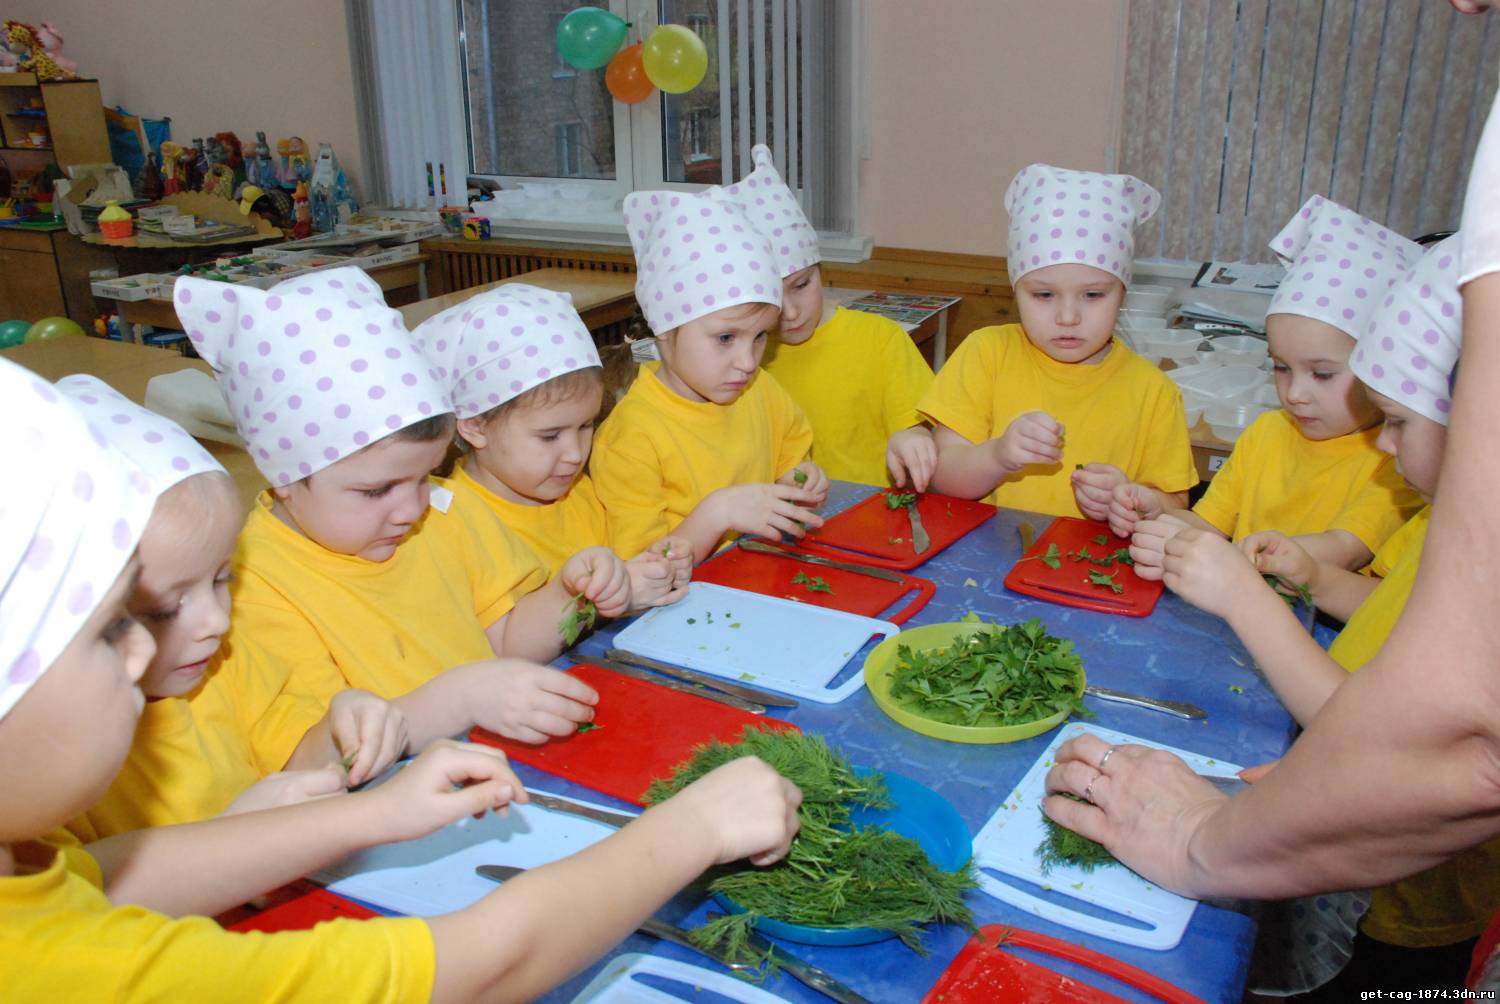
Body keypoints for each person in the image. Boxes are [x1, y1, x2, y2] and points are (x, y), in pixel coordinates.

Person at [0, 356, 803, 1000]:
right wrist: (694, 829)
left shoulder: (30, 872)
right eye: (113, 628)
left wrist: (370, 816)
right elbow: (481, 966)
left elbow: (113, 878)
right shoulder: (57, 967)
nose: (142, 652)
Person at [1041, 82, 1500, 994]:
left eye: (1397, 420)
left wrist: (1246, 592)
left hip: (1410, 901)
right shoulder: (1441, 525)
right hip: (1345, 840)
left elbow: (1385, 732)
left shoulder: (1437, 531)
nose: (1385, 444)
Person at [173, 267, 620, 770]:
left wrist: (568, 593)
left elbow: (507, 643)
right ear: (284, 478)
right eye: (376, 490)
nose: (412, 509)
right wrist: (461, 698)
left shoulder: (448, 513)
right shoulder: (254, 585)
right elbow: (307, 762)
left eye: (424, 476)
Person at [56, 376, 408, 839]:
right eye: (166, 607)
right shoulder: (45, 752)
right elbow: (87, 882)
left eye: (221, 579)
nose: (218, 620)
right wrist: (235, 837)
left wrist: (343, 726)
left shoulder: (226, 663)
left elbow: (294, 756)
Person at [1120, 197, 1422, 571]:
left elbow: (1344, 550)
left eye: (1322, 374)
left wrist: (1234, 560)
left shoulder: (1395, 462)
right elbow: (1209, 525)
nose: (1294, 394)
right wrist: (1158, 514)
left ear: (1380, 371)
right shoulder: (1266, 433)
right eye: (1281, 367)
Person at [920, 163, 1198, 518]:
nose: (1068, 317)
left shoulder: (1154, 392)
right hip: (986, 550)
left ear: (1123, 294)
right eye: (1044, 295)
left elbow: (1176, 506)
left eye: (1093, 295)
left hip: (1093, 555)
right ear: (1016, 292)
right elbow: (942, 478)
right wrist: (998, 455)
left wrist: (1135, 500)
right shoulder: (986, 354)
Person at [416, 283, 691, 607]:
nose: (575, 454)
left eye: (586, 426)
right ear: (476, 427)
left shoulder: (579, 492)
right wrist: (614, 600)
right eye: (550, 436)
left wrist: (653, 567)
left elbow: (621, 566)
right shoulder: (456, 524)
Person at [591, 190, 827, 562]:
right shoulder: (630, 438)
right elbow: (642, 568)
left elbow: (791, 452)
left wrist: (799, 477)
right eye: (726, 338)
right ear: (665, 329)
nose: (748, 362)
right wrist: (717, 515)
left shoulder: (760, 389)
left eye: (760, 336)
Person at [711, 144, 938, 490]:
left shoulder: (880, 339)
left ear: (821, 271)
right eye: (771, 299)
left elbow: (917, 425)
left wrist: (913, 438)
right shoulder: (742, 360)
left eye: (801, 285)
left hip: (872, 509)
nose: (791, 312)